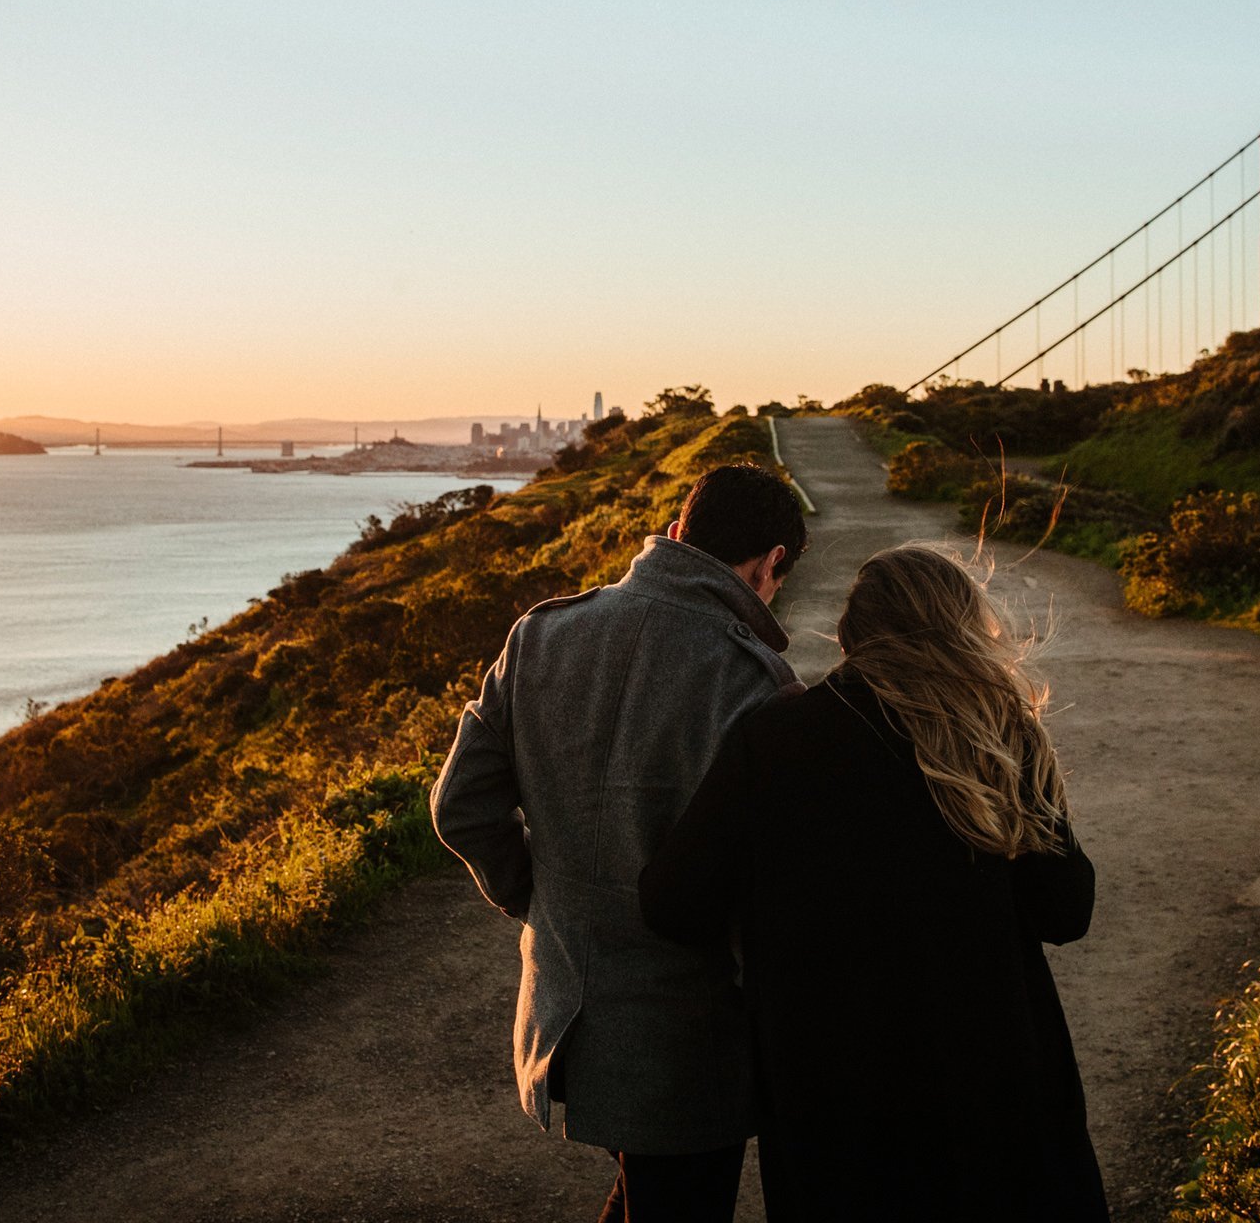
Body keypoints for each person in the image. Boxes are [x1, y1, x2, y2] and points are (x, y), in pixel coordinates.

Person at [639, 545, 1107, 1223]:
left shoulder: (773, 739)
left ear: (851, 637)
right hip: (991, 1091)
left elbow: (673, 903)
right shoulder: (999, 738)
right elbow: (1067, 910)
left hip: (831, 1094)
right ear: (962, 630)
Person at [432, 462, 809, 1223]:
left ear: (677, 531)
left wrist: (536, 900)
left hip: (565, 1010)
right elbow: (768, 885)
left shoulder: (541, 633)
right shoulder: (754, 681)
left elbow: (460, 805)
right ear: (772, 564)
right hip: (687, 1040)